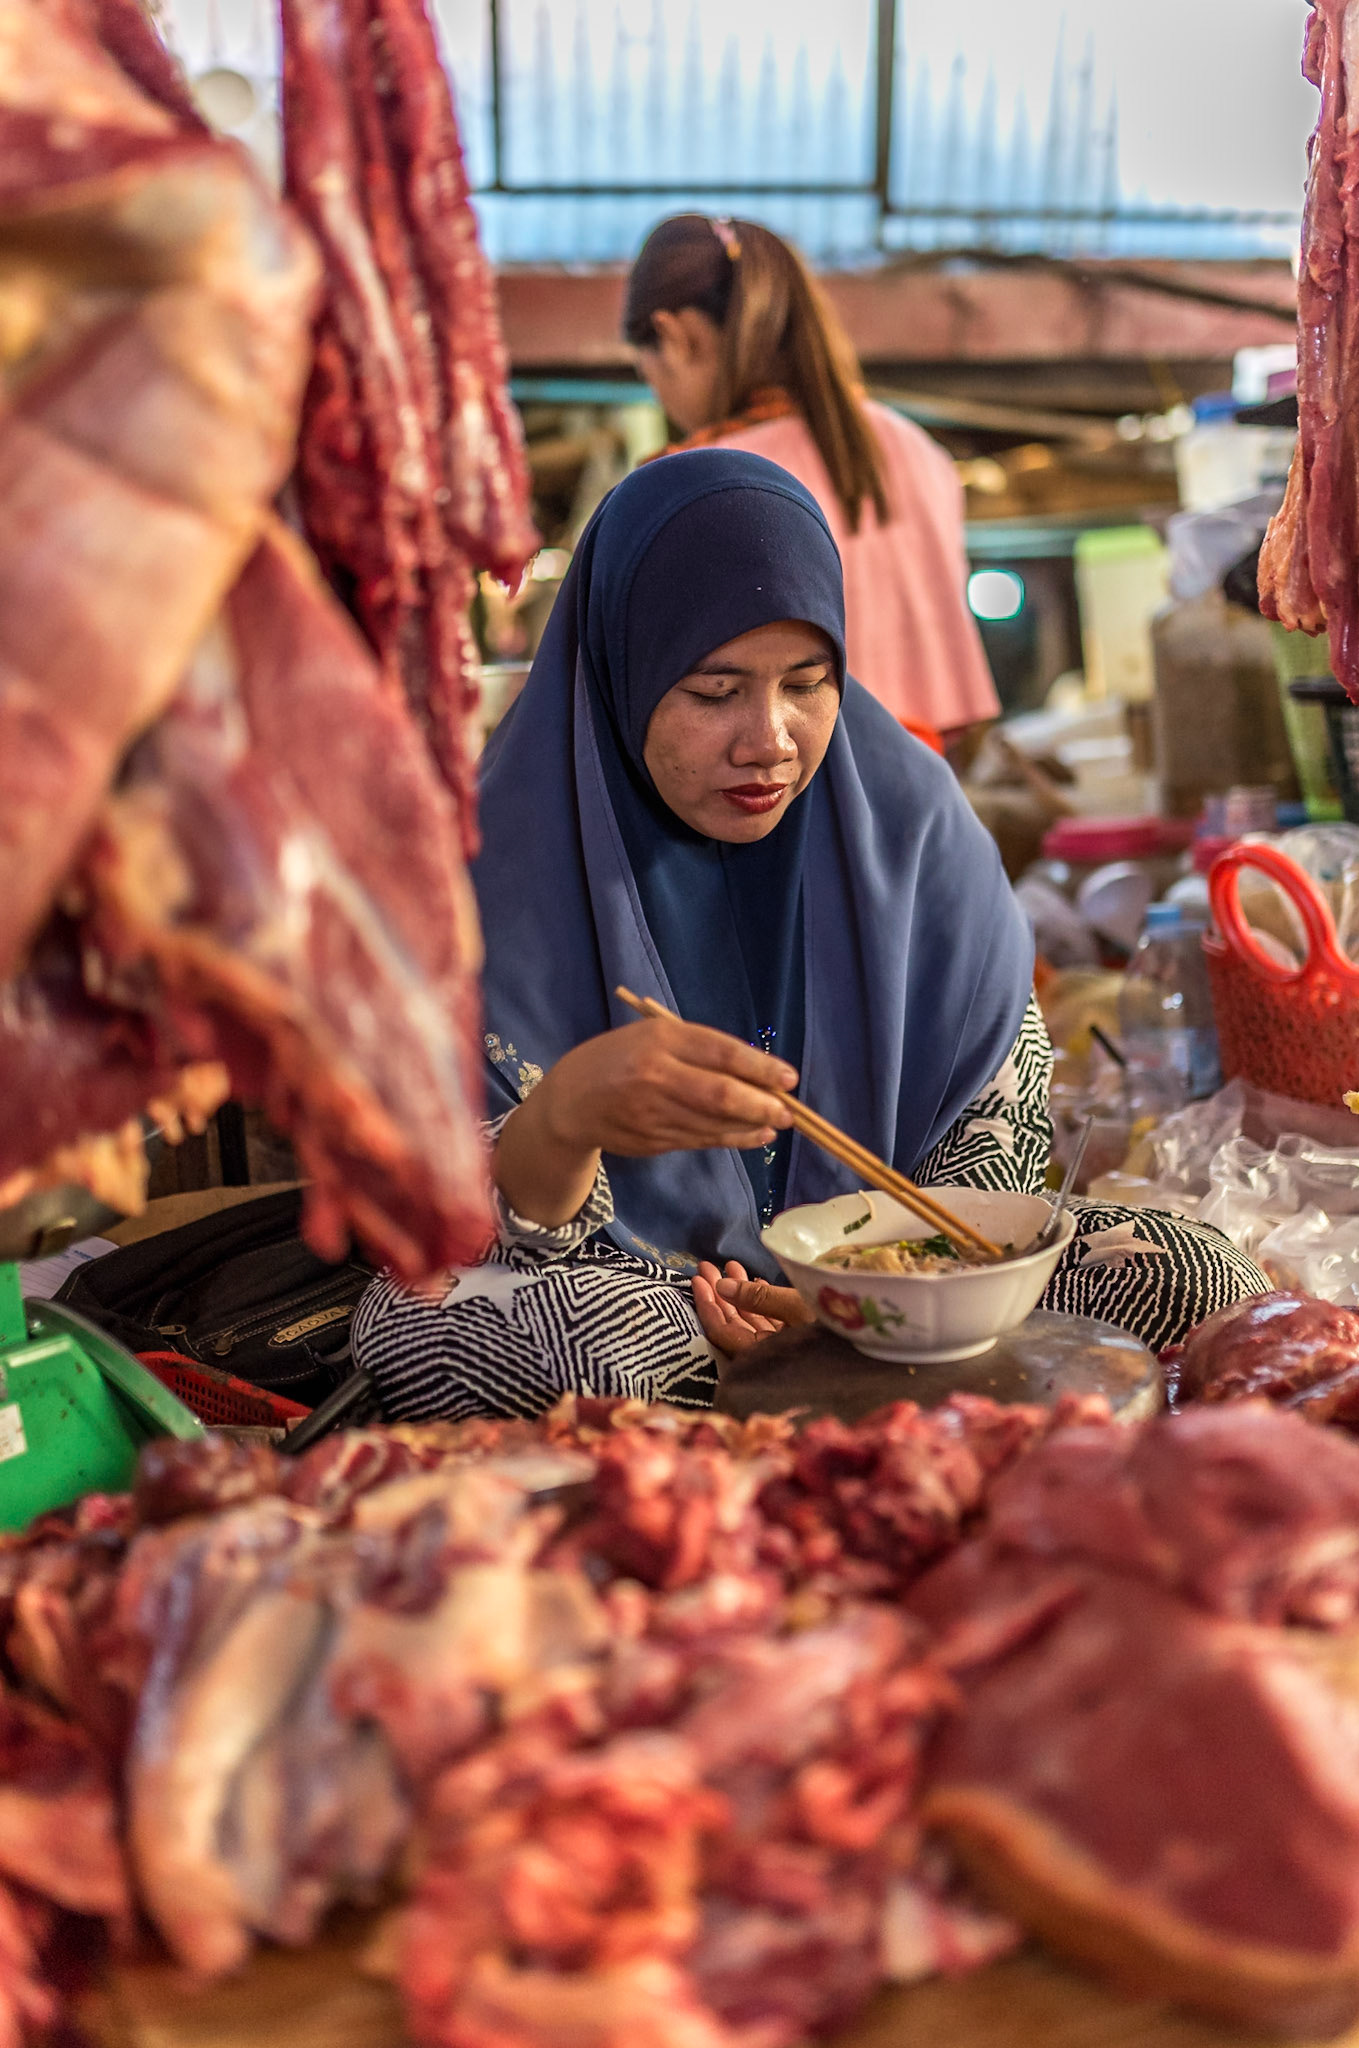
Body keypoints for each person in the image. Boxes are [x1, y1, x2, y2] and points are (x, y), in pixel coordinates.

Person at [352, 451, 1264, 1422]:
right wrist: (566, 1117)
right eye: (715, 691)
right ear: (621, 665)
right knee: (470, 1331)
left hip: (895, 1283)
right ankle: (852, 1397)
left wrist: (860, 1293)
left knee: (1198, 1276)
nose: (769, 738)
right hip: (646, 1304)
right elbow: (432, 1231)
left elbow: (986, 1164)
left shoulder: (909, 822)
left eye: (807, 681)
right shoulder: (487, 875)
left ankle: (816, 1382)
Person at [621, 213, 999, 742]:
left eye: (650, 374)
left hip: (780, 801)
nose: (663, 400)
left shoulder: (693, 479)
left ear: (674, 336)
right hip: (927, 798)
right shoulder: (920, 452)